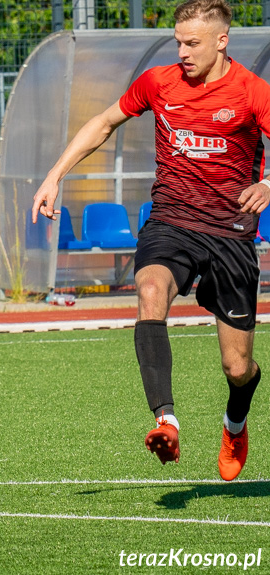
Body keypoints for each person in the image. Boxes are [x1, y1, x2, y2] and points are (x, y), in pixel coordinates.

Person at [32, 0, 270, 480]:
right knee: (150, 290)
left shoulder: (251, 91)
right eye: (178, 41)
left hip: (230, 233)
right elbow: (103, 123)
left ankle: (235, 422)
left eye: (193, 43)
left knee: (236, 367)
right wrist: (55, 175)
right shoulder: (158, 83)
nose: (181, 51)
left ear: (222, 41)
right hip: (171, 221)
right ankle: (166, 419)